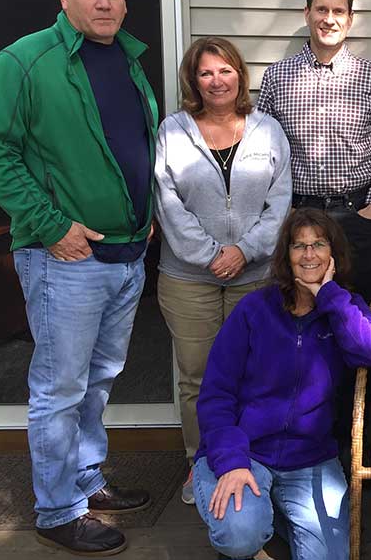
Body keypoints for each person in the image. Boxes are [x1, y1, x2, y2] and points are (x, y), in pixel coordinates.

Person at [0, 0, 157, 556]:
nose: (104, 2)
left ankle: (85, 480)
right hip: (65, 257)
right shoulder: (25, 61)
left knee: (99, 379)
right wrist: (51, 224)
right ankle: (58, 510)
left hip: (126, 254)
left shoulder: (127, 61)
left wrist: (145, 217)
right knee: (60, 388)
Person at [193, 207, 371, 560]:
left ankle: (274, 517)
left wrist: (328, 296)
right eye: (299, 246)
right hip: (247, 451)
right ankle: (252, 524)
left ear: (334, 254)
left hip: (310, 459)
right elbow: (216, 394)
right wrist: (231, 461)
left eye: (319, 244)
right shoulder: (254, 310)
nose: (309, 254)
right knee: (239, 534)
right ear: (286, 255)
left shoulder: (345, 306)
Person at [153, 36, 292, 504]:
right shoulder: (173, 131)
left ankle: (248, 460)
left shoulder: (267, 130)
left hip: (254, 277)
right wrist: (212, 254)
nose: (217, 81)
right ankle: (201, 463)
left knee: (253, 374)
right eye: (206, 72)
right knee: (197, 377)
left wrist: (244, 252)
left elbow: (280, 203)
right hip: (188, 278)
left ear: (240, 76)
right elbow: (167, 202)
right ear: (194, 80)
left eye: (225, 70)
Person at [257, 0, 371, 305]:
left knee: (362, 313)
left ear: (350, 18)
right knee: (300, 310)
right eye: (321, 9)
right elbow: (261, 152)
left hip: (357, 215)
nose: (329, 19)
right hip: (299, 217)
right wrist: (284, 210)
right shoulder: (277, 78)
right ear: (307, 13)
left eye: (338, 11)